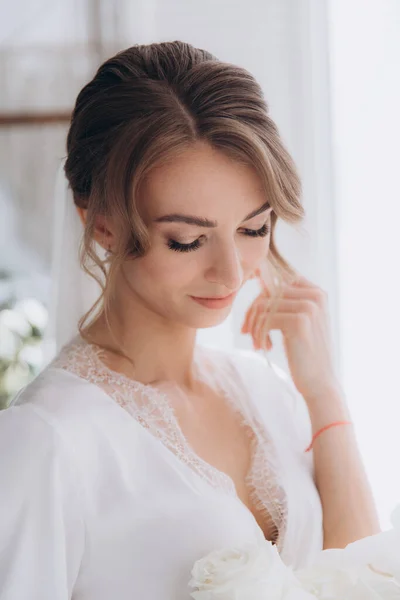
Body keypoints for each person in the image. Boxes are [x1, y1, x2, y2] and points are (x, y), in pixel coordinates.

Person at [0, 41, 379, 600]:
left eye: (254, 229)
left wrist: (324, 394)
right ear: (101, 224)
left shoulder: (265, 395)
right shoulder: (47, 440)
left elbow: (363, 580)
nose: (230, 272)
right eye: (187, 240)